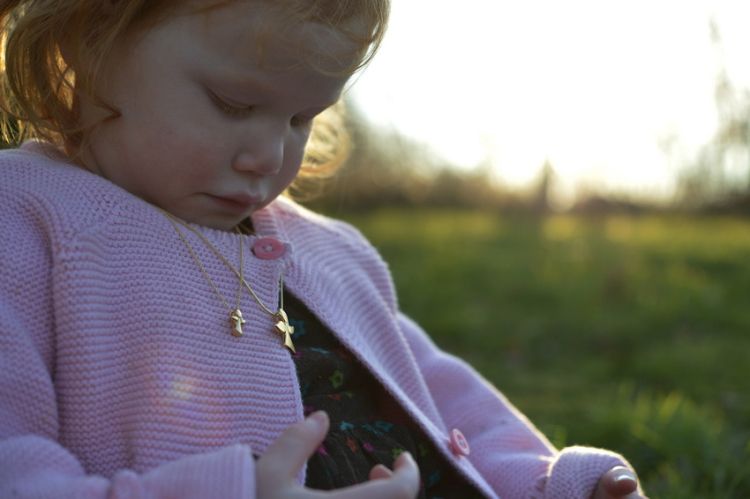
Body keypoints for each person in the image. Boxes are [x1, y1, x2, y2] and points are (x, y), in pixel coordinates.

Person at [0, 1, 648, 498]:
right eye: (234, 102)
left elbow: (443, 397)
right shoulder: (25, 215)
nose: (270, 156)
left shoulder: (332, 249)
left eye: (300, 118)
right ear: (88, 37)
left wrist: (547, 480)